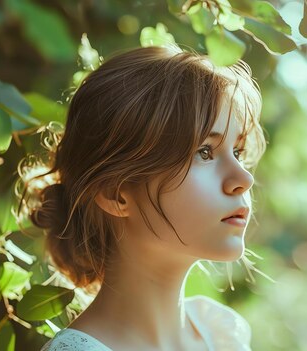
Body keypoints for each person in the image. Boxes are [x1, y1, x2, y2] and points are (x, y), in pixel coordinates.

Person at [24, 43, 267, 351]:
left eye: (238, 152)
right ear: (116, 193)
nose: (244, 179)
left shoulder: (220, 332)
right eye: (204, 152)